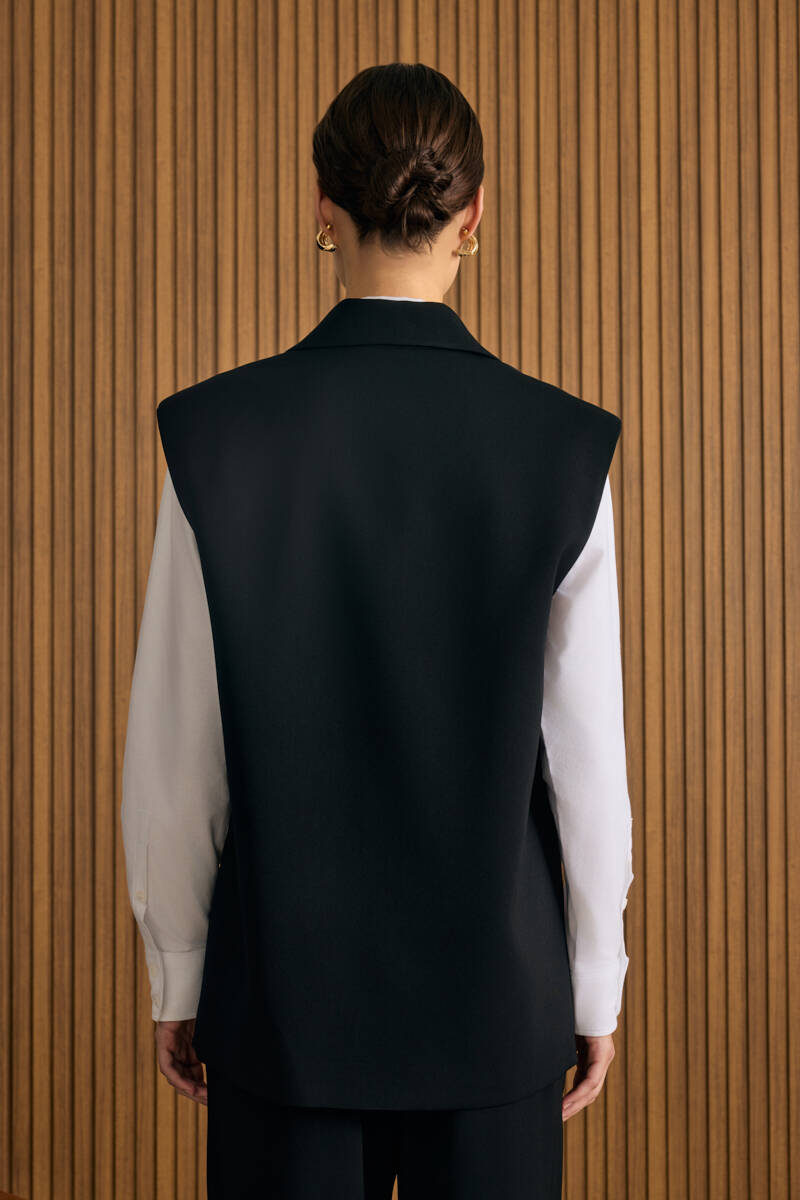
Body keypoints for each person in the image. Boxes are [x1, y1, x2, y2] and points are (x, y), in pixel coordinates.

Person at [121, 61, 633, 1199]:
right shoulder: (563, 448)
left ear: (322, 205)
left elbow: (177, 751)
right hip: (498, 1008)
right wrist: (594, 982)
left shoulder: (216, 437)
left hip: (279, 1006)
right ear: (474, 213)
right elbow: (587, 762)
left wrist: (179, 971)